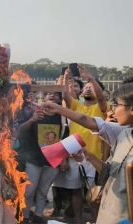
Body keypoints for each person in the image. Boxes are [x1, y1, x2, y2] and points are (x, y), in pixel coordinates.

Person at [41, 82, 133, 223]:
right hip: (109, 214)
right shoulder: (123, 134)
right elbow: (108, 173)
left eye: (116, 104)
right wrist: (88, 155)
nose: (112, 110)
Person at [54, 66, 108, 223]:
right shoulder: (77, 105)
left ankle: (94, 220)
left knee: (93, 195)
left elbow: (102, 99)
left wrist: (90, 78)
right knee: (76, 192)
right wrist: (65, 78)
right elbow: (65, 96)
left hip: (94, 157)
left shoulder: (103, 107)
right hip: (74, 155)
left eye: (92, 87)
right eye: (86, 87)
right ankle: (78, 220)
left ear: (99, 91)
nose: (88, 89)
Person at [18, 92, 67, 223]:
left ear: (61, 99)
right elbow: (20, 131)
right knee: (29, 191)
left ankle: (38, 216)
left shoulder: (64, 117)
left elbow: (66, 139)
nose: (52, 96)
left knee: (43, 191)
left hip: (52, 161)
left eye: (57, 95)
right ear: (44, 98)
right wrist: (32, 119)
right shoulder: (34, 113)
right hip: (33, 159)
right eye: (49, 94)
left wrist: (64, 159)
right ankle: (25, 216)